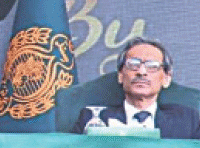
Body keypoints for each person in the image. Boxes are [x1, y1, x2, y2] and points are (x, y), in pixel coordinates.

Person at [71, 37, 200, 139]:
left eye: (152, 66)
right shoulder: (93, 118)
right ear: (121, 75)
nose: (142, 72)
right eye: (133, 64)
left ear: (166, 78)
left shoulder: (188, 120)